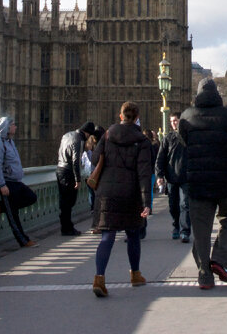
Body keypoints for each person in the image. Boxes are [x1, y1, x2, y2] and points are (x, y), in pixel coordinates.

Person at [179, 77, 227, 290]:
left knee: (201, 231)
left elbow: (184, 143)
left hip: (197, 184)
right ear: (217, 94)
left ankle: (204, 275)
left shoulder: (187, 116)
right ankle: (220, 259)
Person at [90, 102, 152, 298]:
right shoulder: (142, 141)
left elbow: (93, 160)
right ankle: (135, 274)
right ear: (137, 117)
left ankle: (99, 278)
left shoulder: (107, 135)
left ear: (120, 116)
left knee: (107, 236)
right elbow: (144, 173)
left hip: (107, 192)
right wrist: (146, 203)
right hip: (130, 193)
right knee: (133, 234)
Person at [0, 116, 38, 248]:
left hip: (15, 181)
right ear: (7, 127)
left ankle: (3, 207)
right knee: (13, 216)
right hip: (7, 183)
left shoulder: (9, 141)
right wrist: (1, 185)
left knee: (32, 197)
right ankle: (23, 241)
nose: (16, 127)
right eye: (13, 125)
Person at [56, 121, 97, 236]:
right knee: (69, 201)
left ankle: (65, 226)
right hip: (69, 172)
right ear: (86, 133)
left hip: (60, 169)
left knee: (63, 201)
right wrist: (77, 179)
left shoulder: (67, 135)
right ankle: (67, 228)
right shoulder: (79, 139)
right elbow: (76, 161)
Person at [155, 112, 190, 242]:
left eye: (176, 120)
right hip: (171, 177)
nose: (174, 123)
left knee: (184, 204)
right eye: (172, 121)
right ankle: (176, 225)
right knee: (173, 205)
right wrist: (159, 175)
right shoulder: (167, 138)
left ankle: (185, 231)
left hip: (186, 177)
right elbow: (160, 158)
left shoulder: (188, 137)